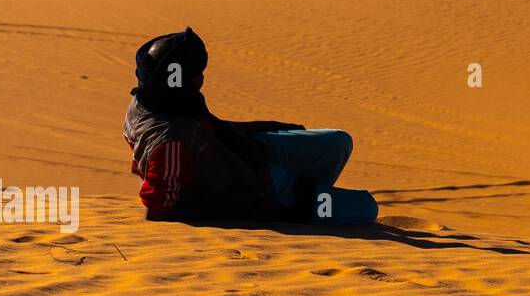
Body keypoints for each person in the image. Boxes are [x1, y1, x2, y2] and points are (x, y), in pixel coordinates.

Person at [123, 27, 378, 226]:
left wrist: (266, 126)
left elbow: (206, 129)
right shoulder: (170, 140)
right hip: (260, 192)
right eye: (196, 73)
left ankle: (311, 195)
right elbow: (158, 210)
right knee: (367, 207)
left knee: (337, 141)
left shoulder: (155, 98)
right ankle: (307, 204)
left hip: (246, 152)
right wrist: (264, 209)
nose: (201, 77)